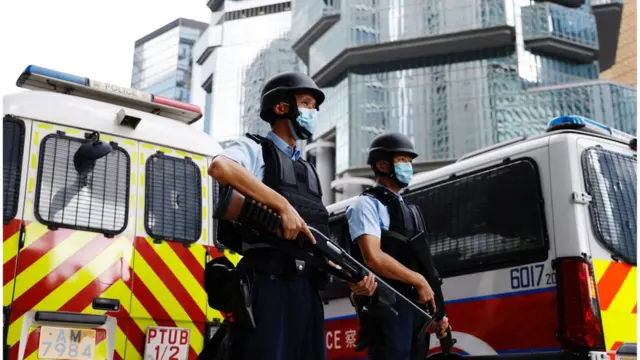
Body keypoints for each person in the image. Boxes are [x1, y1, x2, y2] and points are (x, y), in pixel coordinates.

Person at [208, 71, 377, 360]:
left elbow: (313, 237)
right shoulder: (256, 149)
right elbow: (220, 167)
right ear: (281, 107)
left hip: (307, 292)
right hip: (268, 286)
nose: (313, 111)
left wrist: (350, 277)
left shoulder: (310, 172)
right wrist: (282, 206)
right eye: (307, 103)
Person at [346, 131, 451, 360]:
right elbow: (373, 257)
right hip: (388, 310)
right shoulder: (366, 205)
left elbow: (425, 265)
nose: (408, 167)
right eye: (402, 161)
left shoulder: (411, 211)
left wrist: (438, 312)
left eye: (410, 162)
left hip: (416, 312)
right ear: (382, 165)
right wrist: (418, 280)